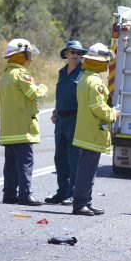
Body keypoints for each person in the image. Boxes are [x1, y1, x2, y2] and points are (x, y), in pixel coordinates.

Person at [70, 43, 119, 216]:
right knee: (86, 171)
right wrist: (113, 113)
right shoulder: (95, 81)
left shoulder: (84, 78)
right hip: (92, 132)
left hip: (85, 131)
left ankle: (86, 202)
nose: (107, 65)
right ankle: (80, 204)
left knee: (87, 170)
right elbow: (97, 106)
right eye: (105, 62)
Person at [0, 38, 48, 206]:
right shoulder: (21, 74)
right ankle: (25, 195)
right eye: (28, 55)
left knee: (10, 164)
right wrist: (43, 88)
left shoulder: (5, 75)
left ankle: (9, 194)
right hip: (23, 128)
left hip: (8, 130)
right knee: (25, 163)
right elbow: (33, 93)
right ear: (21, 55)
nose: (31, 58)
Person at [45, 40, 86, 204]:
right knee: (59, 157)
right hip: (61, 119)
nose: (76, 55)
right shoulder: (62, 72)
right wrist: (55, 110)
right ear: (66, 54)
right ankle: (62, 191)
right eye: (73, 52)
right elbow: (60, 93)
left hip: (75, 118)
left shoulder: (84, 73)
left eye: (78, 53)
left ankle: (72, 193)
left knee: (73, 157)